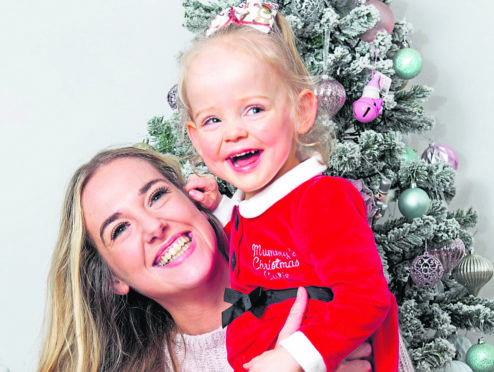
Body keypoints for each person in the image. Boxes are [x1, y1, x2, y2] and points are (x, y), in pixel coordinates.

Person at [180, 1, 400, 371]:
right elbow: (260, 245)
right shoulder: (256, 206)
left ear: (301, 111)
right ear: (196, 138)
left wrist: (291, 359)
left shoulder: (323, 200)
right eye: (213, 119)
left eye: (254, 109)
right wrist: (221, 209)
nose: (234, 132)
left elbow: (366, 298)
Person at [37, 146, 377, 372]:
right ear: (114, 279)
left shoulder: (328, 299)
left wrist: (312, 352)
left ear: (194, 200)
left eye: (157, 196)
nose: (154, 226)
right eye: (120, 228)